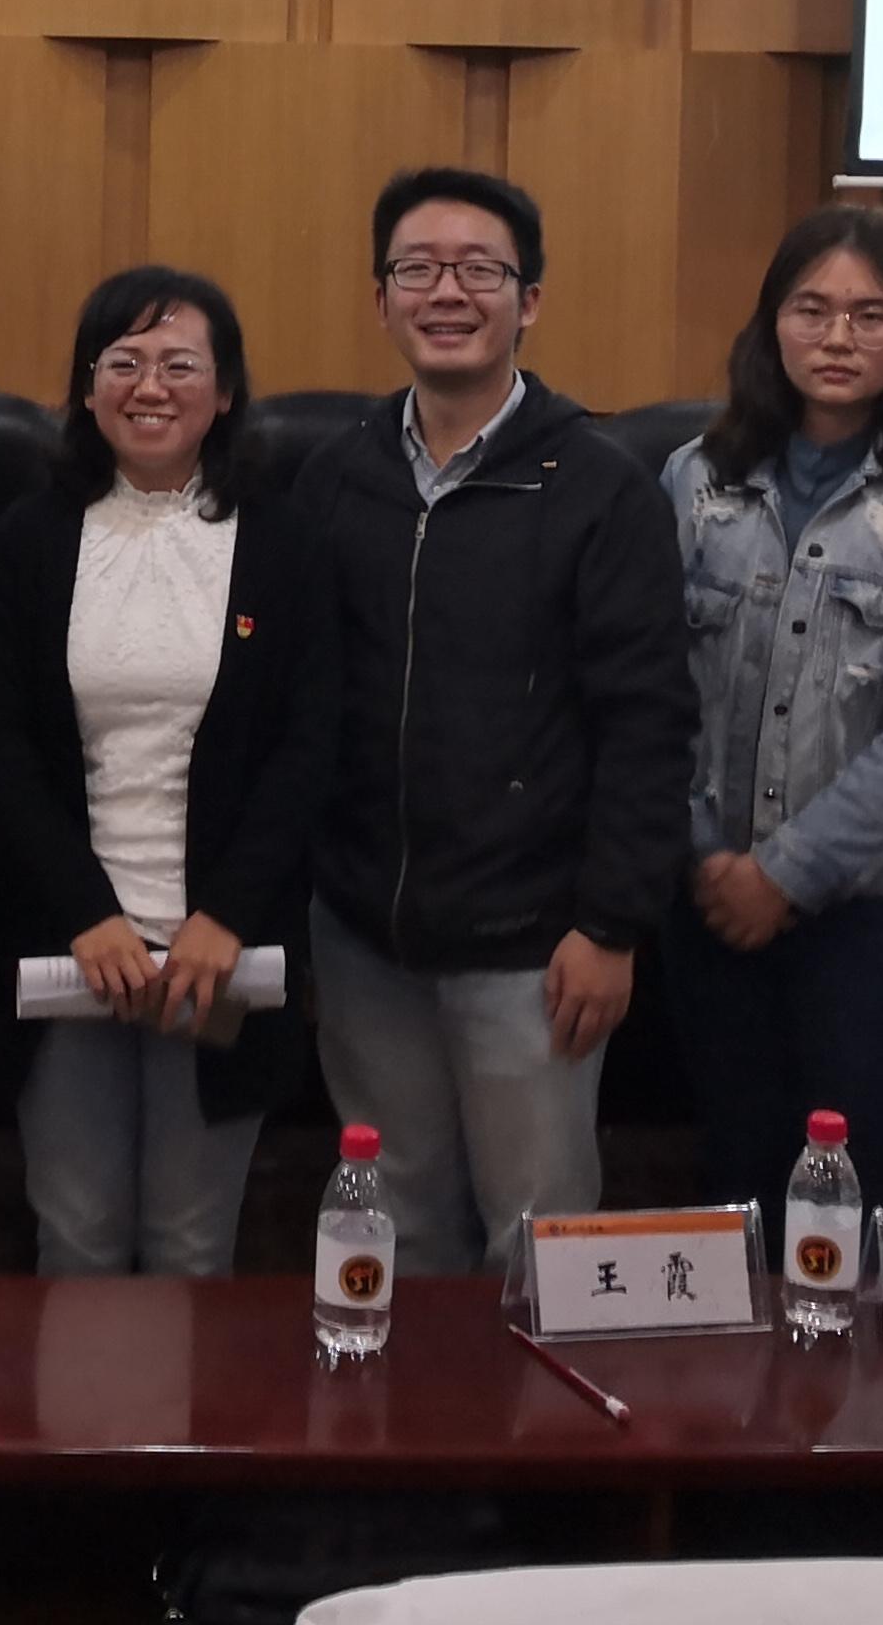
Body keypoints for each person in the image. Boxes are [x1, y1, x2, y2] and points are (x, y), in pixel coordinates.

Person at [288, 167, 692, 1276]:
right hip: (366, 939)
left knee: (539, 1243)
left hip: (536, 946)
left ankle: (538, 1408)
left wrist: (611, 925)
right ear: (381, 299)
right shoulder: (335, 479)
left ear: (530, 300)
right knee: (394, 1231)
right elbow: (303, 708)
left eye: (479, 270)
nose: (447, 292)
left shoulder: (599, 487)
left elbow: (648, 723)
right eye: (417, 269)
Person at [656, 206, 883, 1230]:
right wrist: (708, 859)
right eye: (810, 309)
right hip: (708, 902)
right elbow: (652, 688)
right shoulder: (694, 480)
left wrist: (786, 875)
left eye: (870, 314)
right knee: (728, 1202)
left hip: (874, 924)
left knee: (856, 1215)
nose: (838, 337)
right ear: (770, 325)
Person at [0, 267, 320, 1276]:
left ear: (226, 390)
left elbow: (306, 747)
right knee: (75, 1239)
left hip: (221, 955)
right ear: (87, 389)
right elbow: (0, 742)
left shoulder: (284, 543)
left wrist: (225, 915)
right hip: (72, 945)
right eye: (122, 362)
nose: (150, 387)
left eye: (179, 364)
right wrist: (87, 912)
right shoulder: (33, 539)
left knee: (191, 1248)